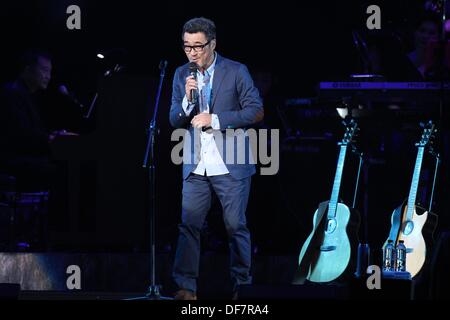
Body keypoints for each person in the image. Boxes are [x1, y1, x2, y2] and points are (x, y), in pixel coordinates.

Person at [169, 17, 264, 300]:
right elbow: (174, 119)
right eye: (187, 47)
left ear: (212, 44)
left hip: (230, 163)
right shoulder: (180, 74)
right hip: (196, 163)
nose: (193, 53)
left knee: (235, 225)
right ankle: (186, 287)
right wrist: (186, 101)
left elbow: (256, 111)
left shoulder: (236, 71)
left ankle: (242, 286)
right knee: (189, 225)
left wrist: (217, 119)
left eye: (198, 46)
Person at [0, 50, 76, 190]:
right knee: (66, 170)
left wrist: (54, 134)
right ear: (27, 69)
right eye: (44, 70)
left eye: (50, 72)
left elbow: (31, 131)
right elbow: (21, 135)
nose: (48, 76)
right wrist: (51, 137)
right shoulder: (12, 93)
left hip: (24, 155)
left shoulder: (27, 95)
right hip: (13, 159)